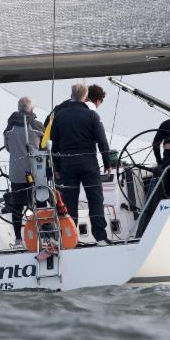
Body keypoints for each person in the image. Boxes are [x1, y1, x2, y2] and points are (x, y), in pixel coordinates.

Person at [50, 83, 112, 246]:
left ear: (72, 95)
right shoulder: (91, 115)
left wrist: (57, 168)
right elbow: (102, 142)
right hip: (89, 164)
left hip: (68, 165)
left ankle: (70, 239)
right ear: (85, 97)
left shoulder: (59, 116)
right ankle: (100, 237)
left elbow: (54, 147)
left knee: (69, 203)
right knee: (95, 200)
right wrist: (108, 163)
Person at [3, 96, 44, 245]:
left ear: (18, 108)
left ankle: (18, 239)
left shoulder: (9, 128)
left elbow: (8, 148)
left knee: (17, 206)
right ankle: (43, 236)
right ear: (31, 109)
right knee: (40, 203)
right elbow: (45, 148)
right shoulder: (37, 126)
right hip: (35, 173)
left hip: (16, 173)